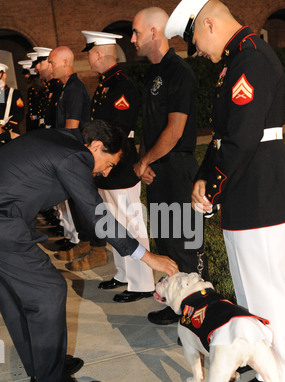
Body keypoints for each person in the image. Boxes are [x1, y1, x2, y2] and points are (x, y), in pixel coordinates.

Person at [165, 0, 285, 382]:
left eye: (197, 43)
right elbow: (223, 135)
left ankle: (281, 370)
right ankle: (263, 361)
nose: (201, 53)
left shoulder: (251, 59)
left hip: (260, 191)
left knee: (264, 287)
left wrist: (215, 188)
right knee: (248, 286)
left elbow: (242, 138)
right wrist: (205, 179)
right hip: (248, 191)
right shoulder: (237, 60)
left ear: (208, 23)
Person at [0, 119, 178, 382]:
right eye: (108, 163)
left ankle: (43, 366)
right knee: (48, 292)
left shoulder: (64, 140)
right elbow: (100, 219)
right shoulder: (75, 157)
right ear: (95, 146)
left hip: (6, 220)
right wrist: (148, 257)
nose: (106, 172)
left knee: (14, 295)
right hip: (5, 225)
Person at [131, 7, 208, 323]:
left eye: (136, 32)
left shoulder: (178, 71)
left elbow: (175, 131)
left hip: (177, 169)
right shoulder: (152, 72)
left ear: (153, 32)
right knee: (165, 239)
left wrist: (145, 160)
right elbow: (150, 125)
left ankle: (198, 311)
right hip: (158, 171)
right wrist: (143, 161)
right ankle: (177, 303)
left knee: (185, 244)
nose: (132, 39)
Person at [73, 30, 155, 302]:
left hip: (118, 164)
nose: (89, 59)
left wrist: (106, 162)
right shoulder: (106, 83)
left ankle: (142, 282)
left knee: (130, 223)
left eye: (90, 54)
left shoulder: (121, 84)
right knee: (113, 222)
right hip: (106, 165)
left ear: (98, 54)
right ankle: (124, 274)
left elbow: (118, 130)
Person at [48, 46, 91, 252]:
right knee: (73, 203)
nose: (50, 66)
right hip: (70, 153)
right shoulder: (66, 88)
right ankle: (83, 243)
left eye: (52, 62)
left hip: (74, 153)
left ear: (66, 63)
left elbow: (72, 127)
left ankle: (89, 244)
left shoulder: (74, 89)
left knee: (79, 202)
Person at [0, 63, 24, 145]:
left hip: (11, 131)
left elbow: (19, 113)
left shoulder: (14, 93)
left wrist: (5, 128)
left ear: (4, 75)